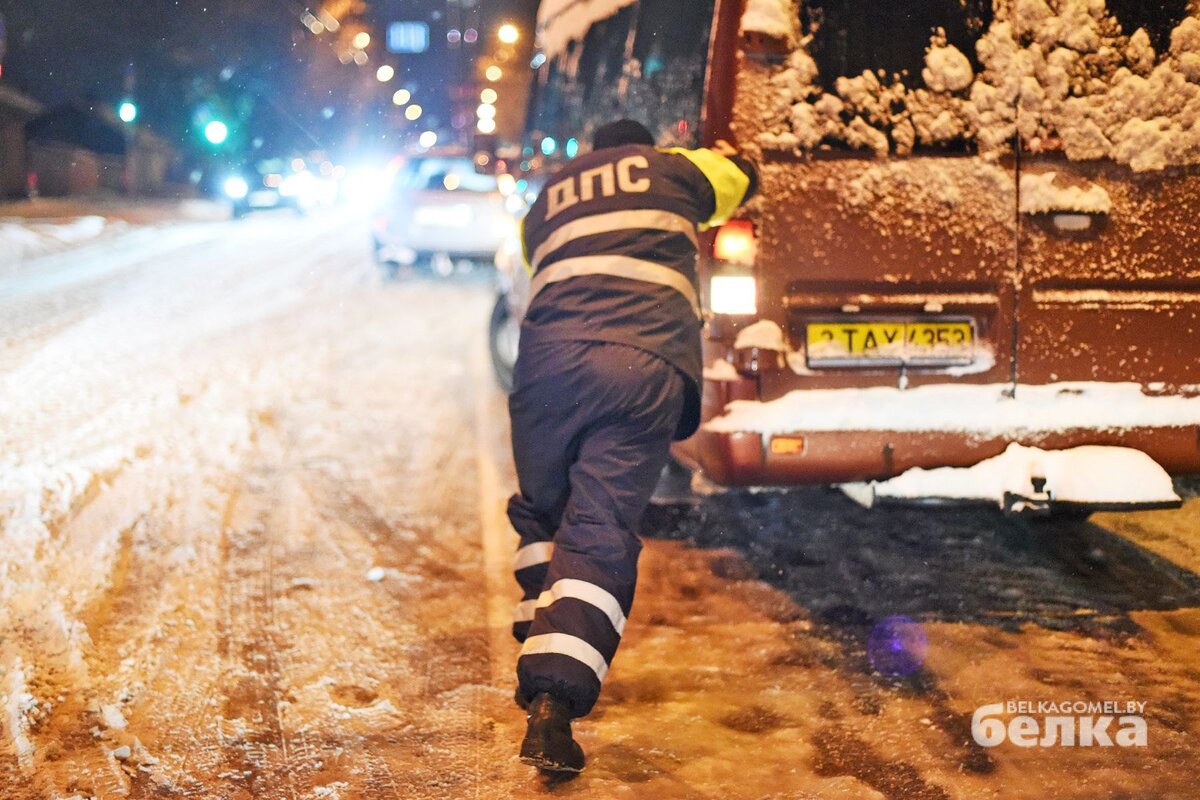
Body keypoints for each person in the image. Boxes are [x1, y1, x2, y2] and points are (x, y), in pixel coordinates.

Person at [507, 119, 757, 773]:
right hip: (638, 365)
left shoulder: (551, 193)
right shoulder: (673, 169)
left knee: (545, 512)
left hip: (545, 371)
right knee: (599, 529)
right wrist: (728, 156)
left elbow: (540, 266)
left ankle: (540, 642)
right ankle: (553, 703)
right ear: (644, 147)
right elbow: (741, 182)